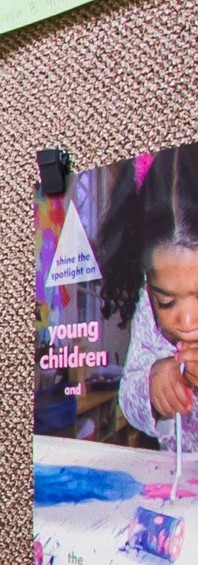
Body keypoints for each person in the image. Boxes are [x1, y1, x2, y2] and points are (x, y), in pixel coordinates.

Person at [106, 146, 198, 446]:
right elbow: (128, 401)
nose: (186, 320)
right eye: (166, 302)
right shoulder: (147, 310)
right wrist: (152, 386)